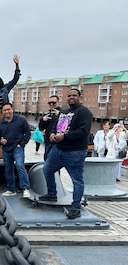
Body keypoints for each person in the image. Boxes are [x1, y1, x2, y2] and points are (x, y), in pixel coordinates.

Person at [39, 88, 93, 219]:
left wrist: (65, 137)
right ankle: (52, 194)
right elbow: (55, 125)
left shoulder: (85, 113)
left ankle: (76, 208)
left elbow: (83, 131)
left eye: (74, 95)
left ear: (80, 97)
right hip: (58, 150)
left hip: (75, 152)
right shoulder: (64, 112)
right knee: (47, 170)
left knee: (77, 180)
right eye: (69, 96)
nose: (71, 97)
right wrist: (52, 133)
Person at [0, 102, 31, 198]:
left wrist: (22, 144)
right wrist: (1, 141)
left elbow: (27, 132)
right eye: (4, 110)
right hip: (6, 150)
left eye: (8, 109)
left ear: (12, 109)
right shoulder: (0, 125)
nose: (6, 111)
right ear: (2, 112)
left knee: (20, 166)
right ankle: (11, 189)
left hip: (17, 148)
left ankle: (25, 188)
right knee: (8, 170)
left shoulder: (21, 120)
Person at [38, 95, 61, 160]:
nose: (51, 104)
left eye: (53, 103)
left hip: (57, 142)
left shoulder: (63, 113)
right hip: (48, 141)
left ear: (58, 103)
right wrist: (42, 120)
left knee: (54, 161)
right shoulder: (48, 114)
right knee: (46, 159)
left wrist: (60, 115)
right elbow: (41, 128)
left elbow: (65, 127)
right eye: (49, 103)